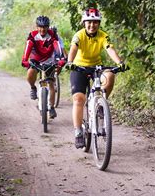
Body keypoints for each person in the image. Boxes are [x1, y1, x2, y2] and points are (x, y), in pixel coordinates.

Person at [65, 8, 127, 148]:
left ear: (99, 24)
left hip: (96, 67)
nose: (92, 25)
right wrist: (70, 62)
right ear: (84, 23)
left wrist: (119, 63)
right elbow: (74, 48)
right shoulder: (79, 35)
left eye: (95, 22)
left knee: (110, 75)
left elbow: (110, 48)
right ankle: (78, 132)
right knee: (79, 99)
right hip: (79, 68)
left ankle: (101, 103)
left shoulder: (103, 36)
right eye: (89, 22)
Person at [21, 15, 65, 119]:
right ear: (37, 27)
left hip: (49, 59)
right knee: (31, 72)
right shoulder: (32, 35)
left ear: (48, 27)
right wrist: (24, 60)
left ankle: (52, 107)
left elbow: (57, 46)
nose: (42, 29)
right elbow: (28, 47)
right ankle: (33, 87)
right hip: (35, 59)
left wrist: (60, 59)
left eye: (45, 27)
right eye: (40, 27)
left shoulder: (52, 35)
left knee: (51, 83)